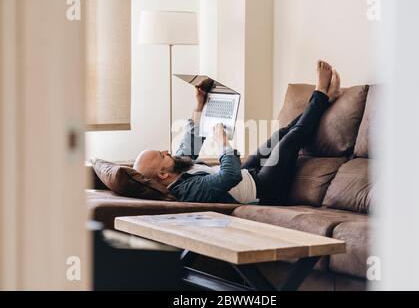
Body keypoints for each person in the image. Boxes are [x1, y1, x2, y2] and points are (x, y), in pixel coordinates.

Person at [134, 61, 341, 205]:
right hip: (263, 191)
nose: (166, 151)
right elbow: (230, 175)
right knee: (290, 142)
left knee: (281, 135)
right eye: (162, 155)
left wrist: (200, 106)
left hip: (249, 176)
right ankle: (320, 94)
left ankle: (323, 102)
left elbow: (190, 144)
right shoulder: (187, 191)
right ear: (163, 174)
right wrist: (224, 144)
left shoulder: (177, 169)